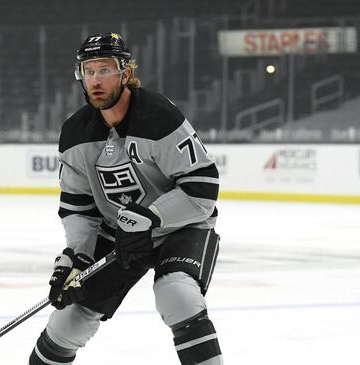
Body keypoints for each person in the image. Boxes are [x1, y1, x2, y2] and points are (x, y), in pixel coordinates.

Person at [28, 32, 223, 364]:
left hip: (180, 226)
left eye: (104, 70)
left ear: (125, 73)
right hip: (119, 232)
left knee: (177, 295)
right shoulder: (75, 133)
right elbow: (79, 209)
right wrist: (77, 257)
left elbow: (202, 188)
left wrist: (152, 217)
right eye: (88, 71)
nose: (95, 80)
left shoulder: (159, 116)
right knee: (65, 324)